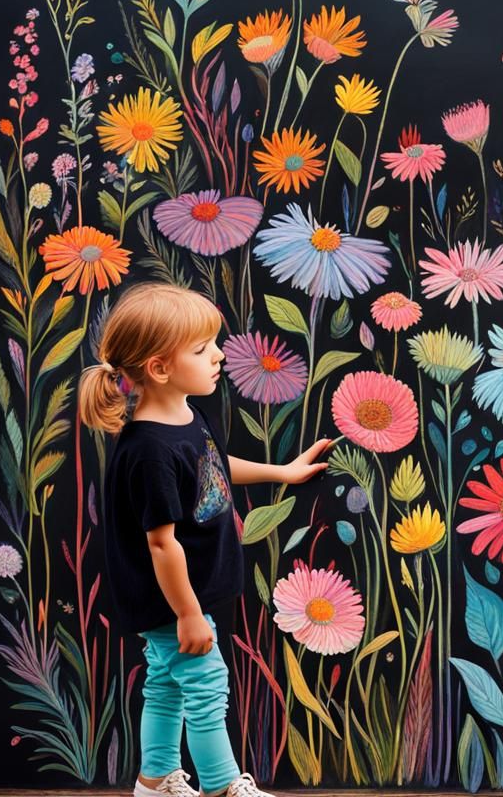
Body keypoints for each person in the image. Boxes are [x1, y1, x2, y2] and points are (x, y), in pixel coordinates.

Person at [79, 282, 334, 797]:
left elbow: (212, 470)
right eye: (202, 350)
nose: (219, 355)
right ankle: (221, 787)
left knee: (168, 688)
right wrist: (189, 614)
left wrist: (281, 472)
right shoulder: (149, 449)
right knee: (205, 687)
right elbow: (160, 544)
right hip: (173, 602)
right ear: (159, 368)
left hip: (185, 597)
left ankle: (154, 782)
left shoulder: (187, 417)